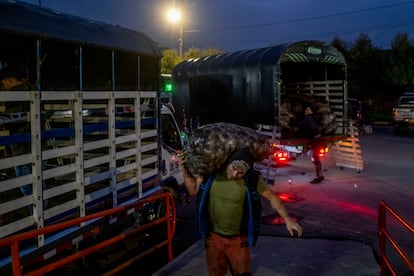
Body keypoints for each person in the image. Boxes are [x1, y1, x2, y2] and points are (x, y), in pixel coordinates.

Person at [181, 148, 303, 275]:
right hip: (213, 238)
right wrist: (184, 169)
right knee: (215, 273)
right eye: (233, 169)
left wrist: (287, 219)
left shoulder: (251, 180)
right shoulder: (212, 174)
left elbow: (272, 197)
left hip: (238, 240)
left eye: (240, 173)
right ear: (228, 163)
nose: (234, 175)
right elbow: (192, 190)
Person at [0, 64, 33, 212]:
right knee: (31, 184)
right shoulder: (29, 91)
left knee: (26, 185)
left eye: (4, 83)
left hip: (22, 144)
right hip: (28, 143)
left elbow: (12, 119)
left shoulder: (16, 94)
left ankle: (36, 219)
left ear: (11, 80)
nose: (3, 86)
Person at [289, 106, 324, 184]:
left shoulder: (308, 118)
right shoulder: (313, 118)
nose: (306, 110)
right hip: (318, 139)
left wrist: (291, 118)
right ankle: (320, 176)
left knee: (314, 158)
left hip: (316, 140)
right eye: (306, 109)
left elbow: (299, 124)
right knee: (316, 158)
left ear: (311, 112)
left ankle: (318, 177)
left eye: (308, 109)